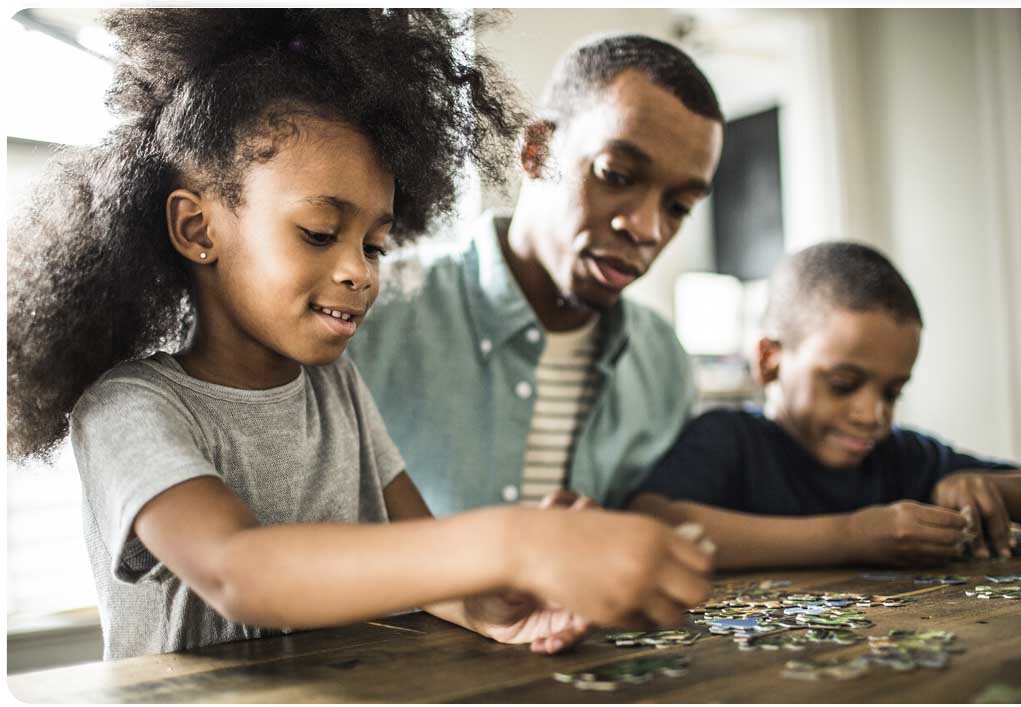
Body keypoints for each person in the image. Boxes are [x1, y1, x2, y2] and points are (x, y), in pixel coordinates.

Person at [6, 9, 715, 660]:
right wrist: (516, 542)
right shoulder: (129, 406)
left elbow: (413, 556)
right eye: (319, 232)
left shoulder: (334, 384)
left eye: (374, 244)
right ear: (198, 228)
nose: (359, 271)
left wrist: (489, 603)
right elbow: (239, 571)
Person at [348, 33, 725, 514]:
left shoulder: (665, 364)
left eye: (678, 206)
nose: (647, 228)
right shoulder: (370, 314)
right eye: (617, 175)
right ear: (537, 151)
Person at [629, 241, 1021, 569]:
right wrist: (848, 535)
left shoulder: (902, 456)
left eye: (892, 393)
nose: (872, 416)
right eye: (843, 384)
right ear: (769, 361)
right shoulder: (729, 438)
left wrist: (989, 487)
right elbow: (654, 522)